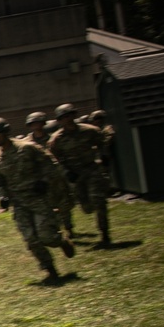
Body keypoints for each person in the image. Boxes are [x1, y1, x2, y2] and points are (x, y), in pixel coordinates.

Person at [0, 118, 76, 285]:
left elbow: (50, 164)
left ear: (6, 132)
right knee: (31, 239)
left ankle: (61, 241)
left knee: (46, 237)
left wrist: (45, 181)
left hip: (38, 198)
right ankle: (51, 270)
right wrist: (1, 196)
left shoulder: (27, 148)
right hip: (19, 203)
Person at [48, 103, 113, 247]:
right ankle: (88, 207)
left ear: (74, 115)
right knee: (87, 207)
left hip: (91, 170)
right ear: (59, 121)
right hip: (75, 175)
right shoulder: (56, 140)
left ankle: (105, 234)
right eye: (63, 118)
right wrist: (66, 171)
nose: (67, 120)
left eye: (69, 116)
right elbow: (54, 159)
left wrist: (103, 156)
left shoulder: (89, 130)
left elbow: (102, 142)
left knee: (99, 201)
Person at [23, 111, 75, 236]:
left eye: (39, 123)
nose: (37, 126)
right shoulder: (25, 143)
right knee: (48, 206)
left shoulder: (53, 139)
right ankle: (56, 230)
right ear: (30, 125)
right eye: (34, 124)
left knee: (64, 204)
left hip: (56, 176)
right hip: (40, 181)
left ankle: (69, 228)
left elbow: (60, 157)